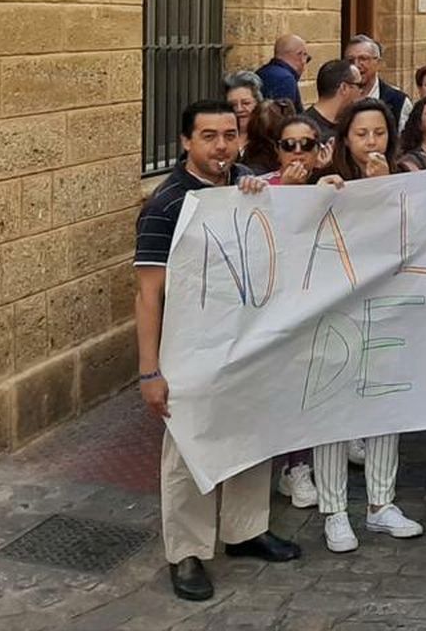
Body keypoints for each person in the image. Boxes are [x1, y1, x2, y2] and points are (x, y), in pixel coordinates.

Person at [134, 100, 301, 601]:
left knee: (250, 435)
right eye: (209, 136)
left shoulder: (246, 182)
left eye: (229, 134)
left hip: (244, 342)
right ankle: (185, 552)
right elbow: (147, 292)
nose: (221, 145)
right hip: (189, 350)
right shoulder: (166, 205)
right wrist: (149, 373)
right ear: (186, 142)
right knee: (189, 449)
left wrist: (269, 193)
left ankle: (245, 531)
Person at [311, 99, 424, 552]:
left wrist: (387, 192)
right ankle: (334, 510)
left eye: (379, 133)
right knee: (332, 411)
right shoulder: (328, 183)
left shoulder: (402, 181)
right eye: (361, 134)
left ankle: (380, 505)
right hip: (334, 315)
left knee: (384, 408)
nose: (371, 142)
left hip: (385, 310)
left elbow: (413, 240)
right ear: (345, 139)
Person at [259, 112, 330, 508]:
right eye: (290, 145)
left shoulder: (329, 187)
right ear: (277, 150)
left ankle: (298, 464)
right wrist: (283, 190)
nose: (298, 152)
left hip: (314, 305)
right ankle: (283, 464)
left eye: (306, 144)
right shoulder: (258, 186)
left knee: (308, 388)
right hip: (271, 308)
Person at [345, 35, 410, 130]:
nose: (356, 65)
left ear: (378, 63)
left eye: (363, 59)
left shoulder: (398, 102)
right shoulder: (340, 98)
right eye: (350, 60)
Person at [302, 60, 361, 145]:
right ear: (344, 88)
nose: (361, 92)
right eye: (359, 86)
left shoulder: (351, 124)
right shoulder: (304, 131)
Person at [256, 34, 309, 108]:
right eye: (306, 57)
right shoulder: (286, 80)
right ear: (300, 54)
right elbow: (285, 116)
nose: (304, 62)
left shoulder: (261, 72)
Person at [222, 70, 264, 156]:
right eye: (233, 105)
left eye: (246, 103)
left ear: (258, 103)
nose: (239, 109)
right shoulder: (219, 139)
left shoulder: (268, 139)